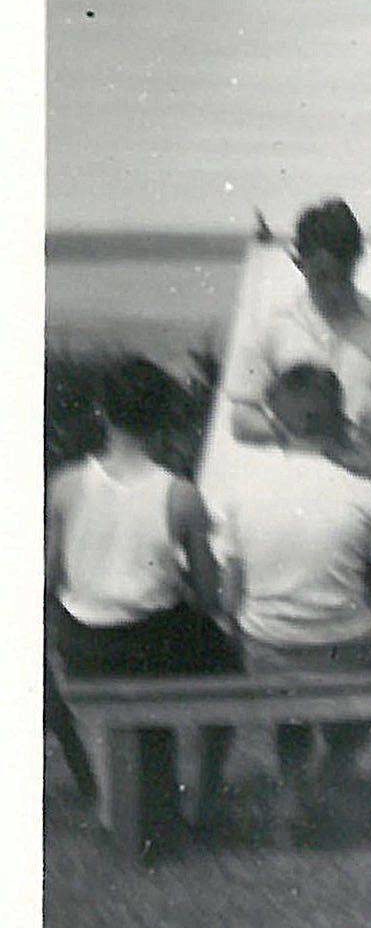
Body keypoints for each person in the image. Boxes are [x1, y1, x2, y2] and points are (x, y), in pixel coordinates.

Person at [45, 358, 240, 855]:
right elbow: (209, 595)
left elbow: (52, 577)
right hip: (153, 642)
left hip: (83, 641)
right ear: (166, 417)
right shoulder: (180, 494)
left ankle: (115, 806)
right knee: (229, 669)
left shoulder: (65, 485)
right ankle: (203, 800)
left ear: (102, 412)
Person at [218, 364, 371, 837]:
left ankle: (294, 785)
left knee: (291, 670)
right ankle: (336, 768)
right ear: (338, 421)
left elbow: (230, 599)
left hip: (268, 652)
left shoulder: (242, 495)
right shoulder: (367, 496)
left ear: (276, 422)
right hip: (348, 651)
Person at [225, 198, 371, 501]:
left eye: (342, 276)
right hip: (304, 476)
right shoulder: (273, 329)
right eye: (321, 277)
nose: (333, 289)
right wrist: (293, 433)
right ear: (299, 263)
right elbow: (241, 419)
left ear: (358, 260)